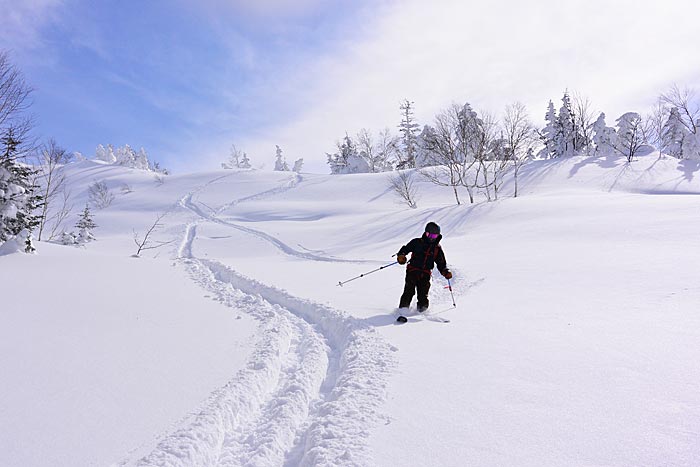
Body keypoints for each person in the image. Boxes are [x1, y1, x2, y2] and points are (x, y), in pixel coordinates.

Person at [396, 221, 452, 313]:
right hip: (412, 270)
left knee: (423, 294)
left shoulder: (437, 248)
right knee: (409, 291)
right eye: (429, 235)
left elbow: (441, 263)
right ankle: (403, 311)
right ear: (425, 233)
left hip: (425, 273)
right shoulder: (417, 242)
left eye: (434, 236)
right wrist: (401, 255)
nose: (431, 238)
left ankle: (422, 312)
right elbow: (405, 249)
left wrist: (445, 271)